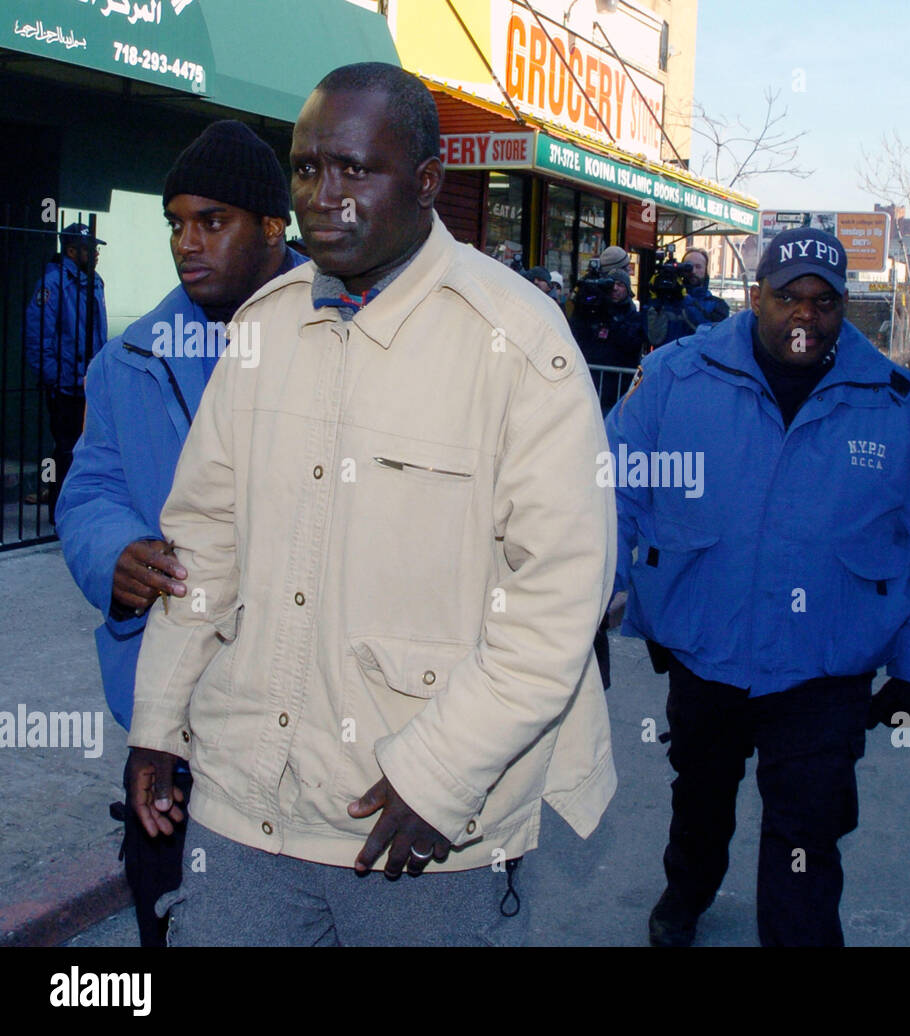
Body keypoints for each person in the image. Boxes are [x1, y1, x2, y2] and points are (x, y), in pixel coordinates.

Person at [124, 62, 616, 947]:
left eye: (355, 169)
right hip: (245, 810)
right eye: (308, 169)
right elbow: (203, 543)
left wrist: (440, 775)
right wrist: (158, 723)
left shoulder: (518, 344)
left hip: (419, 826)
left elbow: (556, 600)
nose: (324, 195)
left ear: (427, 183)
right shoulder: (264, 328)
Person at [606, 227, 910, 947]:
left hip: (825, 665)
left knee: (809, 828)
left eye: (824, 301)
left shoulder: (902, 406)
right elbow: (612, 495)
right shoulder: (677, 376)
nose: (805, 314)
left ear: (845, 308)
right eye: (787, 296)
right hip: (706, 647)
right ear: (755, 296)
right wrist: (590, 605)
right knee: (701, 797)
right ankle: (687, 891)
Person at [56, 120, 307, 946]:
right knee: (166, 917)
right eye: (174, 223)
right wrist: (113, 550)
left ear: (274, 226)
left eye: (212, 221)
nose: (186, 243)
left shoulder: (350, 338)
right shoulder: (129, 357)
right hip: (174, 721)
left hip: (310, 723)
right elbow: (88, 487)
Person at [24, 222, 108, 525]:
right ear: (72, 251)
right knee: (65, 450)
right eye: (90, 249)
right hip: (65, 384)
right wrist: (54, 378)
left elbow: (97, 332)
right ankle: (60, 515)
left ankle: (80, 512)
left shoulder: (94, 281)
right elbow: (38, 337)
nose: (96, 254)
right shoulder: (53, 283)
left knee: (89, 451)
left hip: (89, 384)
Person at [571, 267, 643, 414]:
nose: (615, 289)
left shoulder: (633, 316)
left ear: (628, 290)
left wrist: (611, 316)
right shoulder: (595, 312)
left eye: (620, 285)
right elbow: (576, 332)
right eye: (612, 285)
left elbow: (630, 343)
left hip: (616, 390)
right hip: (589, 386)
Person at [642, 246, 730, 350]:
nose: (693, 271)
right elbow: (652, 337)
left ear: (706, 271)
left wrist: (685, 298)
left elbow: (710, 334)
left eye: (698, 267)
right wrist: (655, 299)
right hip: (666, 362)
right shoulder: (666, 301)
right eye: (688, 267)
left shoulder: (718, 305)